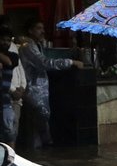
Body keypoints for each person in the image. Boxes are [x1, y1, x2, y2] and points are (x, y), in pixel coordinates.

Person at [18, 19, 83, 149]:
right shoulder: (28, 46)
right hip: (32, 89)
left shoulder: (36, 44)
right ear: (30, 30)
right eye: (38, 28)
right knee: (39, 120)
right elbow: (44, 63)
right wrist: (71, 62)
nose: (42, 31)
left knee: (40, 122)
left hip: (38, 89)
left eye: (42, 28)